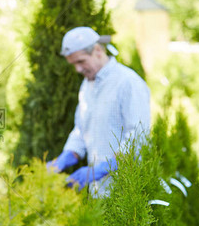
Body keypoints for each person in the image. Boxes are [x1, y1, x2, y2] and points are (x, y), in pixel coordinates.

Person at [47, 26, 150, 197]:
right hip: (98, 193)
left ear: (97, 51)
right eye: (73, 64)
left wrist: (105, 167)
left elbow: (138, 136)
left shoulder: (128, 83)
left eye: (81, 62)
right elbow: (81, 129)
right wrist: (66, 156)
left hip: (127, 195)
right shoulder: (87, 86)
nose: (78, 70)